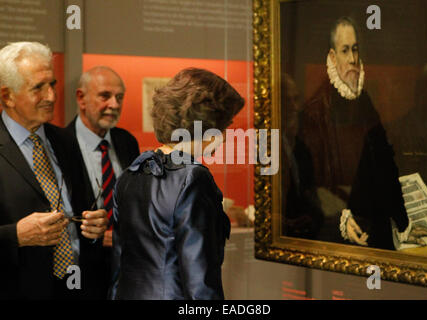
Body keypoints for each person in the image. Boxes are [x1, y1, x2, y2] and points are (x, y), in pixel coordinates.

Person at [111, 67, 244, 299]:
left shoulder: (130, 174)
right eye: (226, 125)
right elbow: (200, 279)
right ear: (211, 129)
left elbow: (119, 268)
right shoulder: (192, 178)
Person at [284, 17, 415, 250]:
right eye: (346, 51)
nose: (354, 59)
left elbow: (383, 166)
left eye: (355, 50)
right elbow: (308, 188)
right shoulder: (315, 112)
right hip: (337, 237)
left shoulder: (364, 102)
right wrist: (340, 221)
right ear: (333, 57)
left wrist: (403, 223)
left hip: (376, 229)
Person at [0, 41, 109, 299]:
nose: (51, 96)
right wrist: (15, 235)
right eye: (38, 88)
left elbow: (81, 206)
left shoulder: (65, 141)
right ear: (8, 96)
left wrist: (94, 225)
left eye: (53, 85)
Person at [65, 66, 139, 297]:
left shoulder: (127, 142)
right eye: (105, 96)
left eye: (119, 97)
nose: (114, 105)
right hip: (80, 276)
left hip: (127, 270)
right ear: (81, 98)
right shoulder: (58, 145)